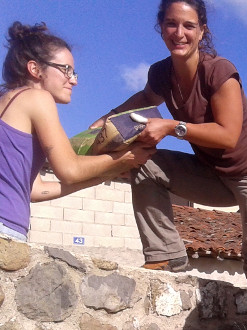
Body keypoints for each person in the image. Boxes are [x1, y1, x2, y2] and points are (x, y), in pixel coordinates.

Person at [91, 0, 247, 330]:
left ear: (202, 31)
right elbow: (135, 105)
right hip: (214, 174)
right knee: (143, 162)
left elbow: (228, 134)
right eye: (171, 24)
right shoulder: (161, 74)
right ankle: (166, 256)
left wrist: (171, 127)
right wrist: (100, 125)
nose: (178, 33)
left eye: (188, 26)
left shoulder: (219, 71)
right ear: (161, 28)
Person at [0, 22, 153, 242]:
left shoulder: (9, 103)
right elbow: (69, 169)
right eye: (66, 70)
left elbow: (34, 190)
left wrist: (104, 175)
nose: (74, 80)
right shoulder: (37, 98)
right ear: (34, 69)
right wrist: (125, 158)